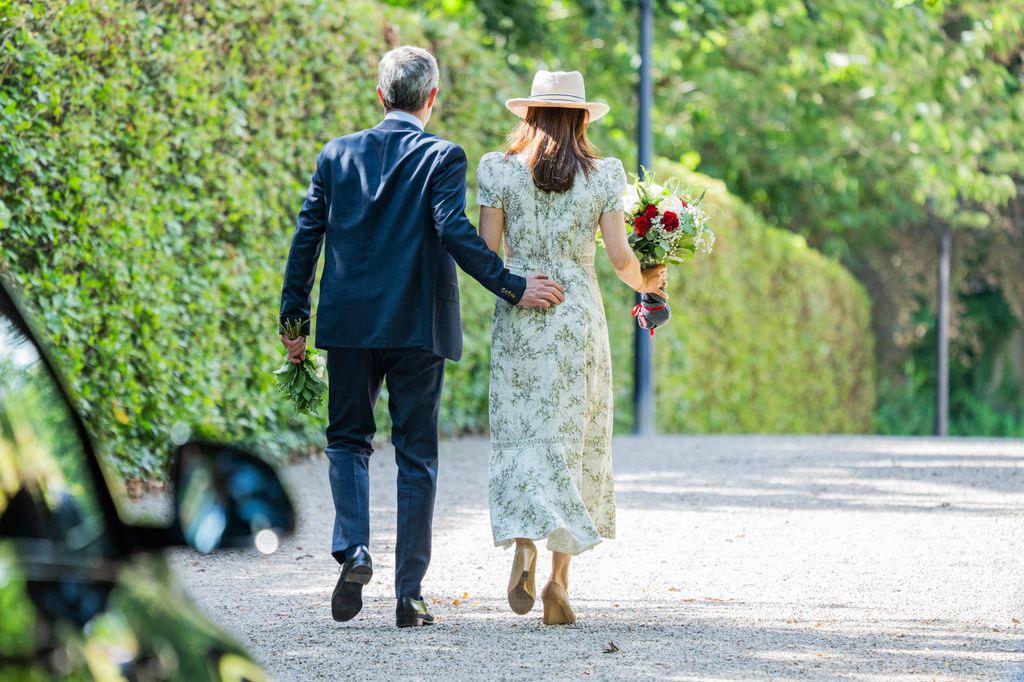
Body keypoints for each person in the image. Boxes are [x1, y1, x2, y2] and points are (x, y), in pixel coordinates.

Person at [278, 47, 566, 629]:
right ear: (431, 100)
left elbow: (306, 239)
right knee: (416, 457)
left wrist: (294, 325)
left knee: (348, 440)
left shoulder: (336, 155)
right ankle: (409, 596)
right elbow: (453, 230)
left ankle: (354, 548)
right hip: (418, 326)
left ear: (380, 95)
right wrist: (510, 284)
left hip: (350, 327)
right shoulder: (442, 157)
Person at [477, 70, 667, 625]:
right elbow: (618, 258)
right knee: (574, 438)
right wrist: (648, 283)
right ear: (582, 117)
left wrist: (517, 281)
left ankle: (523, 544)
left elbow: (486, 254)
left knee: (522, 431)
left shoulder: (497, 169)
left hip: (520, 311)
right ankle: (559, 581)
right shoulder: (604, 173)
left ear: (528, 114)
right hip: (577, 315)